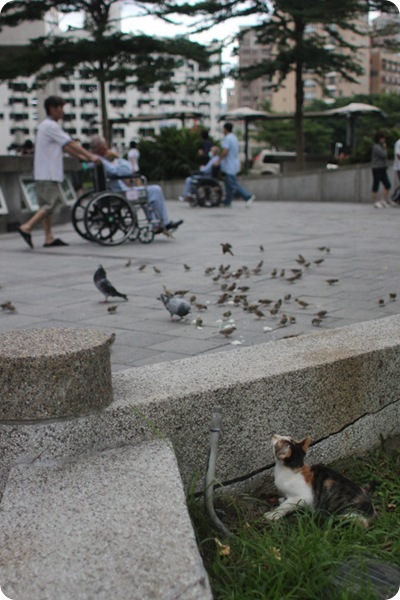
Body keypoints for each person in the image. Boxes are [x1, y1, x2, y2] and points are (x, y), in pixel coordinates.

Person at [18, 96, 100, 248]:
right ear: (52, 109)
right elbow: (71, 143)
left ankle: (48, 237)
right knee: (52, 203)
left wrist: (82, 157)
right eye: (60, 108)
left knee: (45, 206)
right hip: (47, 173)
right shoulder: (50, 126)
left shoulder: (45, 126)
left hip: (43, 172)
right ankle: (27, 226)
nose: (62, 112)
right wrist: (90, 156)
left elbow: (66, 147)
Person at [90, 135, 183, 233]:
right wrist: (117, 157)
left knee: (146, 194)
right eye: (105, 145)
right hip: (121, 193)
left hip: (116, 191)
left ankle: (156, 223)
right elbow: (127, 170)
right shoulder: (101, 161)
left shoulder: (97, 160)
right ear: (102, 148)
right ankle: (164, 222)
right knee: (155, 190)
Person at [219, 122, 255, 208]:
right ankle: (227, 202)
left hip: (229, 165)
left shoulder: (227, 138)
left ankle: (247, 196)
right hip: (234, 164)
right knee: (228, 184)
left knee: (233, 183)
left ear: (225, 129)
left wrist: (219, 160)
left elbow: (225, 151)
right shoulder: (234, 137)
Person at [371, 132, 392, 209]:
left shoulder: (380, 146)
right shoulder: (376, 147)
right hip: (377, 167)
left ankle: (382, 200)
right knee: (376, 184)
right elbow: (383, 155)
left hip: (383, 167)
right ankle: (375, 201)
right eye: (382, 138)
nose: (383, 140)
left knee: (387, 184)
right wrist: (385, 148)